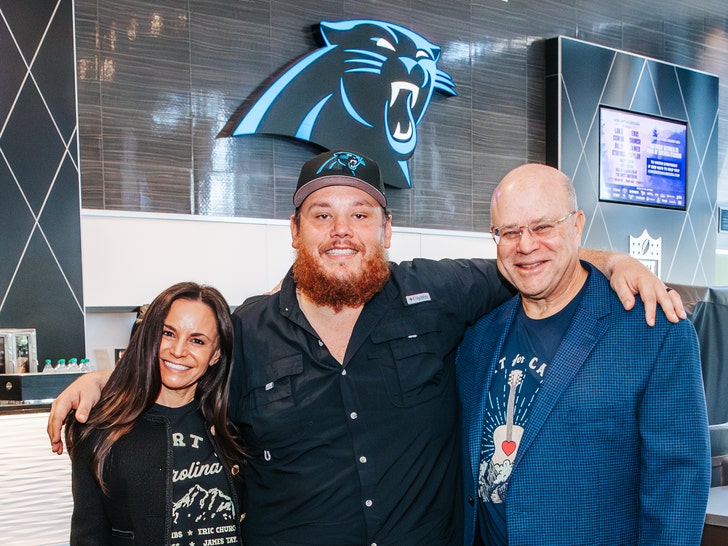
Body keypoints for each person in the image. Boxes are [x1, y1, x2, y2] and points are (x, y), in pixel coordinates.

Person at [50, 151, 685, 545]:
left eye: (360, 214)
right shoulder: (246, 326)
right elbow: (178, 364)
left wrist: (615, 259)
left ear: (387, 228)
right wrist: (99, 383)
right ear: (294, 231)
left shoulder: (439, 293)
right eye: (322, 214)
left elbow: (532, 260)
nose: (342, 231)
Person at [456, 164, 710, 546]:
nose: (525, 245)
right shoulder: (477, 338)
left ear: (577, 226)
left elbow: (679, 483)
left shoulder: (654, 330)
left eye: (543, 227)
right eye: (509, 232)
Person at [64, 282, 246, 545]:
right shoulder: (100, 429)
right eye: (168, 333)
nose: (178, 350)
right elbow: (88, 534)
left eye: (197, 340)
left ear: (215, 354)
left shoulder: (235, 423)